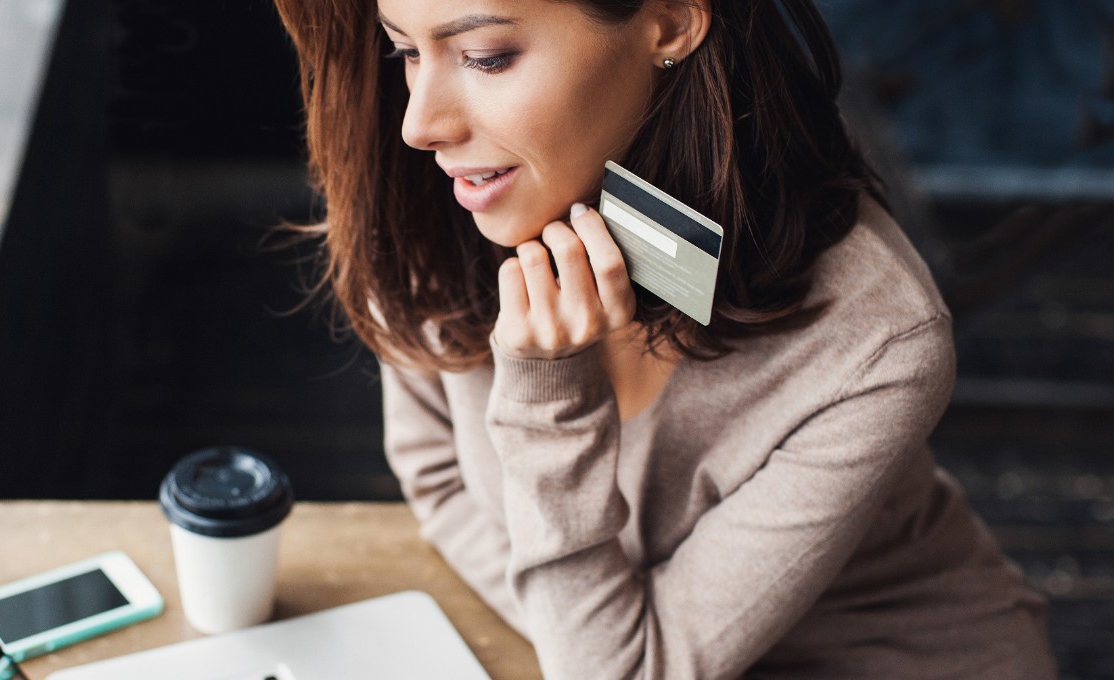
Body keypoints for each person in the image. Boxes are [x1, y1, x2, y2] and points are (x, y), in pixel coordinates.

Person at [270, 0, 1058, 677]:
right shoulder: (430, 207)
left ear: (672, 22)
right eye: (406, 50)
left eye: (486, 56)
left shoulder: (880, 340)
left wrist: (548, 399)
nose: (420, 124)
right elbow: (437, 477)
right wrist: (588, 629)